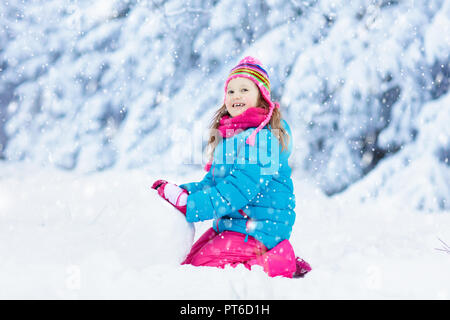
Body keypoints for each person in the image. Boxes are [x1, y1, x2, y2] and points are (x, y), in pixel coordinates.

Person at [152, 56, 311, 278]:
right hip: (234, 226)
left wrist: (192, 206)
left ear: (262, 97)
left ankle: (279, 260)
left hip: (260, 230)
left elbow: (238, 190)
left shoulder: (263, 139)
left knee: (202, 270)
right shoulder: (230, 137)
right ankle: (266, 258)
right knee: (189, 261)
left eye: (244, 89)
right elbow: (213, 181)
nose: (236, 96)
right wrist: (185, 193)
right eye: (231, 91)